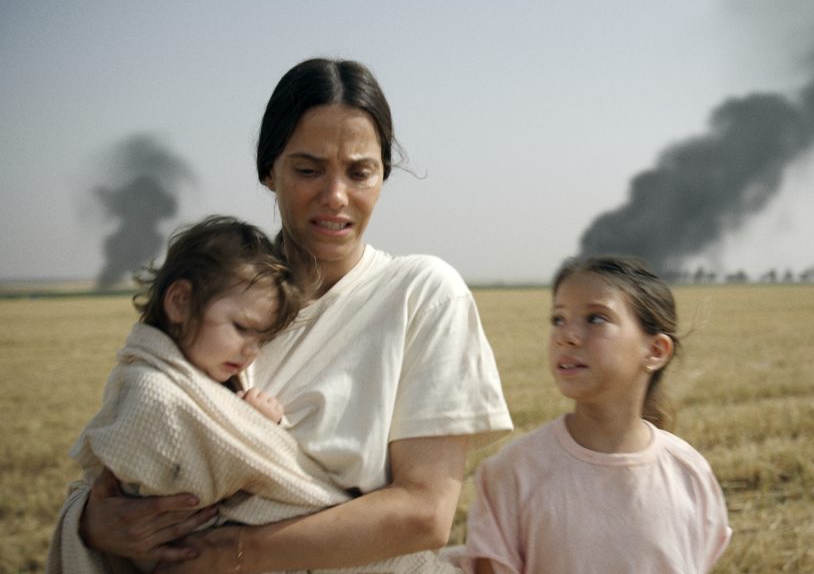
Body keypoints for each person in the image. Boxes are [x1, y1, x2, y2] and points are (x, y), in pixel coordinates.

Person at [71, 58, 513, 573]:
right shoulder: (215, 296)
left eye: (359, 172)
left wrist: (236, 554)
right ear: (269, 170)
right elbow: (137, 438)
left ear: (383, 176)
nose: (335, 197)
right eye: (308, 169)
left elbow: (424, 514)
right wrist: (93, 524)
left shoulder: (421, 294)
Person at [48, 215, 360, 573]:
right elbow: (187, 494)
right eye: (241, 328)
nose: (251, 352)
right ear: (180, 302)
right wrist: (253, 426)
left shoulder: (209, 378)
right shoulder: (152, 388)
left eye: (261, 339)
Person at [459, 256, 731, 574]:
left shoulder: (691, 472)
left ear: (655, 351)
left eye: (596, 319)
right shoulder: (511, 474)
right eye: (558, 319)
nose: (566, 335)